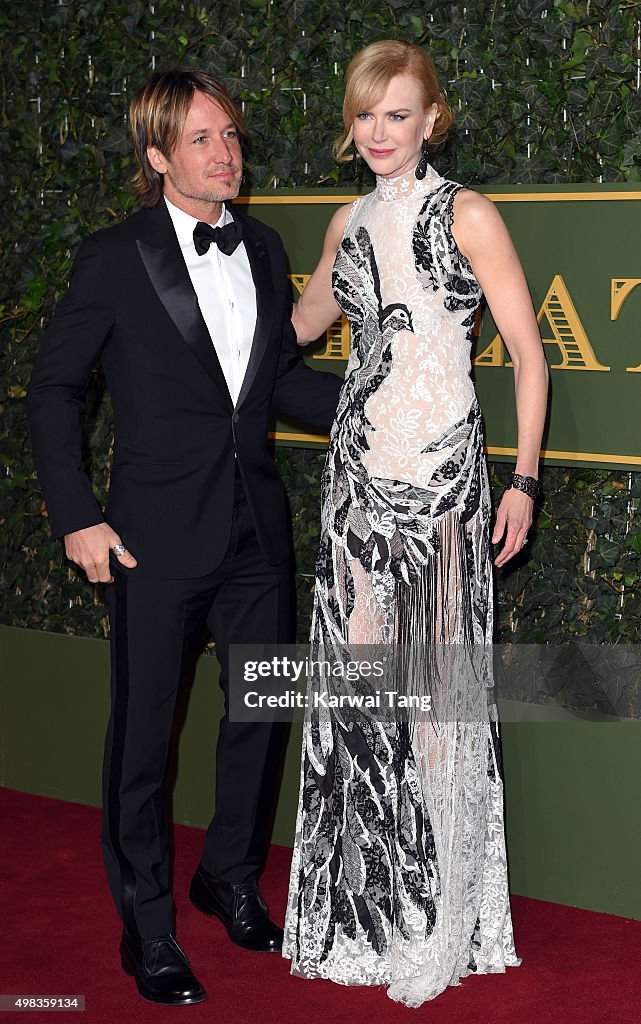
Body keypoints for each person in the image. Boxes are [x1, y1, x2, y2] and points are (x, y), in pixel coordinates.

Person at [27, 67, 341, 1006]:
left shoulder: (263, 244)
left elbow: (277, 382)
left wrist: (386, 412)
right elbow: (53, 393)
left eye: (231, 135)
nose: (226, 154)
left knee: (260, 716)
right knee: (143, 742)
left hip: (257, 535)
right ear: (158, 156)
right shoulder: (112, 258)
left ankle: (230, 877)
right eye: (203, 140)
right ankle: (149, 927)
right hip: (149, 541)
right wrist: (78, 511)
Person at [282, 40, 548, 1007]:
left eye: (397, 114)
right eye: (364, 117)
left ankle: (439, 921)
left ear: (432, 118)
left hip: (440, 485)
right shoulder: (345, 221)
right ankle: (363, 908)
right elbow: (301, 324)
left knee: (436, 705)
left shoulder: (466, 213)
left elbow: (528, 356)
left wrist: (520, 482)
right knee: (356, 701)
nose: (379, 133)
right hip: (354, 481)